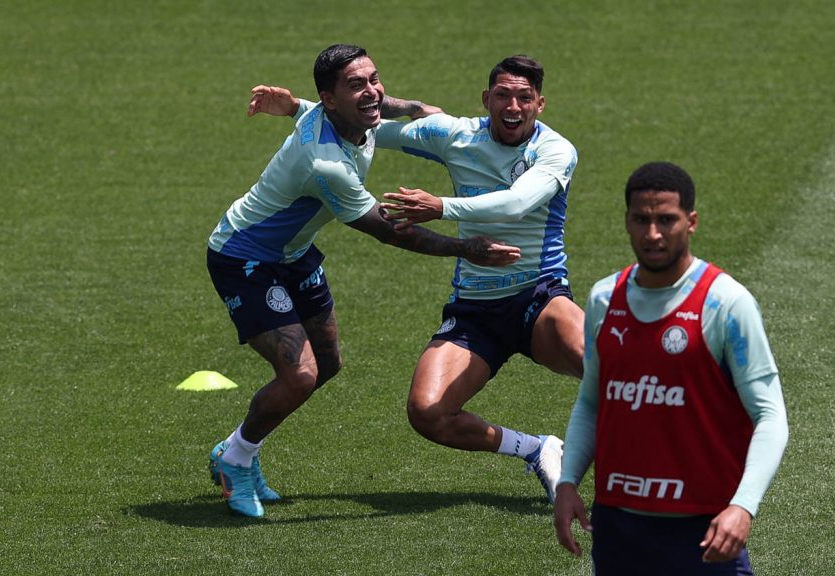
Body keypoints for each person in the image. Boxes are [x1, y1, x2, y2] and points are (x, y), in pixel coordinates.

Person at [247, 54, 582, 503]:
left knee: (605, 367)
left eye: (525, 97)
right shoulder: (457, 135)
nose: (513, 106)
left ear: (540, 104)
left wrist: (441, 207)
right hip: (475, 309)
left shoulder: (556, 151)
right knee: (428, 412)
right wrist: (296, 108)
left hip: (539, 296)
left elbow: (517, 203)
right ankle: (538, 449)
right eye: (503, 95)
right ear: (487, 99)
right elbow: (363, 122)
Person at [206, 44, 520, 518]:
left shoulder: (351, 116)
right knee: (301, 374)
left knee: (327, 364)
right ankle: (235, 458)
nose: (372, 91)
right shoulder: (326, 163)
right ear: (330, 100)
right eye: (357, 85)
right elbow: (391, 232)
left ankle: (236, 451)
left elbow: (401, 108)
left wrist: (413, 110)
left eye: (374, 78)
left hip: (292, 254)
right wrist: (465, 246)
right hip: (244, 257)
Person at [553, 162, 789, 574]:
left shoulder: (726, 304)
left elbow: (770, 415)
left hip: (703, 529)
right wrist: (568, 480)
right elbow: (592, 400)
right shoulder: (604, 299)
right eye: (641, 220)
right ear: (626, 221)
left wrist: (743, 506)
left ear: (691, 222)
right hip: (618, 526)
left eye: (666, 220)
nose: (653, 234)